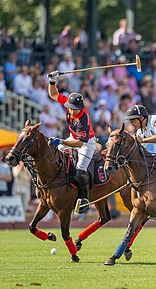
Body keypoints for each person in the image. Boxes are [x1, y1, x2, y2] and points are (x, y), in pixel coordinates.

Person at [48, 70, 96, 213]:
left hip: (87, 143)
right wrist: (52, 81)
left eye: (75, 109)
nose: (72, 111)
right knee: (53, 154)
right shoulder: (68, 105)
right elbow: (53, 94)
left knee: (80, 171)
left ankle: (85, 200)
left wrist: (62, 142)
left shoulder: (83, 119)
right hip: (72, 137)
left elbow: (80, 143)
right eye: (70, 108)